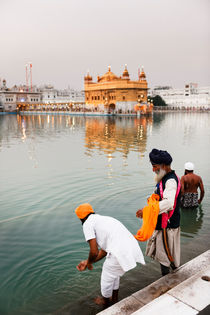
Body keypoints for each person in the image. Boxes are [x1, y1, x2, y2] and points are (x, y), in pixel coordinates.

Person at [75, 203, 145, 308]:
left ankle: (106, 303)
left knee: (107, 276)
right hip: (130, 246)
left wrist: (88, 263)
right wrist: (88, 262)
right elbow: (104, 250)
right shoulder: (104, 219)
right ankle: (114, 299)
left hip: (120, 251)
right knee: (114, 274)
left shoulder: (87, 224)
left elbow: (94, 251)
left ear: (81, 219)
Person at [136, 148, 181, 276]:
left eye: (154, 166)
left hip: (168, 226)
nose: (153, 170)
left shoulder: (170, 181)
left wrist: (146, 211)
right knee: (165, 255)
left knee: (166, 256)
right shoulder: (164, 178)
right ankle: (169, 277)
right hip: (164, 224)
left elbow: (168, 203)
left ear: (164, 166)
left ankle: (167, 280)